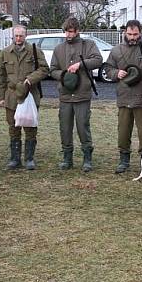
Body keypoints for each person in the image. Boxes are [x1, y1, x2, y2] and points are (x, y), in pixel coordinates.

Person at [107, 19, 142, 174]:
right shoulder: (116, 50)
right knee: (123, 131)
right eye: (130, 34)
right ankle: (123, 160)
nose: (132, 37)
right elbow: (108, 68)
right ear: (125, 32)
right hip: (124, 98)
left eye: (136, 34)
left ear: (141, 33)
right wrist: (116, 73)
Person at [49, 16, 102, 172]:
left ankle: (87, 158)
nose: (68, 35)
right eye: (66, 32)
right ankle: (67, 158)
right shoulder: (59, 49)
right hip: (65, 95)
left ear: (77, 31)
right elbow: (52, 70)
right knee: (65, 128)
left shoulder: (88, 45)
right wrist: (64, 75)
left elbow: (98, 60)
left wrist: (81, 64)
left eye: (71, 32)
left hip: (82, 95)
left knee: (82, 126)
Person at [0, 24, 49, 170]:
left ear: (25, 36)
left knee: (30, 126)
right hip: (12, 96)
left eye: (21, 35)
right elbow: (0, 75)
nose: (18, 38)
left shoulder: (34, 51)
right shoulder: (5, 52)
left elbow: (44, 69)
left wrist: (31, 79)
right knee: (13, 127)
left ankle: (29, 159)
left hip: (30, 95)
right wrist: (0, 96)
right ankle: (15, 159)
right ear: (13, 36)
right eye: (16, 35)